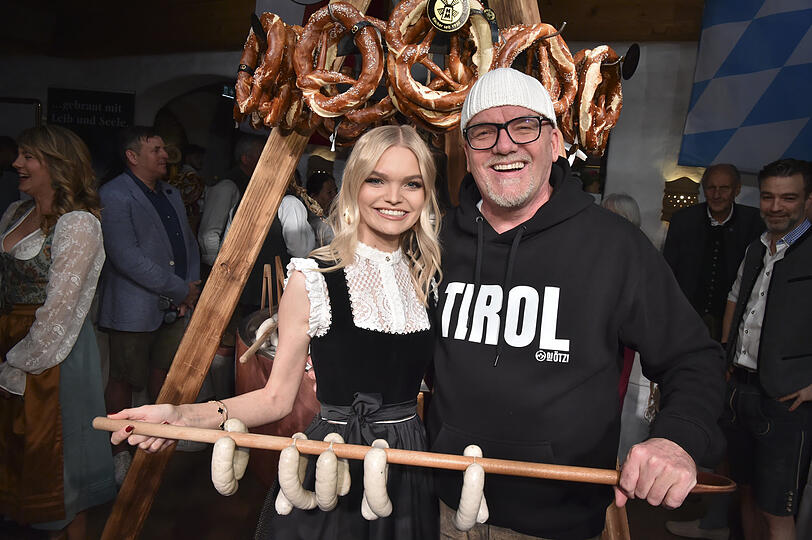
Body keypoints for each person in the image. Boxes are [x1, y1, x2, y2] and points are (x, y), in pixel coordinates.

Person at [429, 68, 725, 540]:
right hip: (444, 510)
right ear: (468, 153)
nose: (504, 145)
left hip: (558, 521)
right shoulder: (437, 241)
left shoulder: (614, 246)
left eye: (524, 126)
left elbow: (694, 357)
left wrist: (676, 438)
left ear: (556, 143)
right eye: (484, 132)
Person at [108, 125, 443, 539]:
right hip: (332, 463)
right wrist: (181, 415)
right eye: (377, 179)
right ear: (355, 185)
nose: (394, 197)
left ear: (426, 194)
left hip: (408, 463)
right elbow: (274, 399)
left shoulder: (428, 278)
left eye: (411, 183)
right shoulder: (314, 277)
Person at [0, 125, 116, 538]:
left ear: (57, 164)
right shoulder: (15, 212)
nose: (17, 163)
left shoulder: (77, 223)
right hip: (12, 335)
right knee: (22, 461)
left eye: (29, 156)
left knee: (60, 464)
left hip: (55, 350)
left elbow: (60, 310)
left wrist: (19, 362)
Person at [97, 126, 201, 482]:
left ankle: (161, 438)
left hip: (174, 303)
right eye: (156, 149)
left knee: (165, 373)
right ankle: (120, 450)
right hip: (133, 305)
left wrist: (190, 286)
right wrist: (180, 289)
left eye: (164, 148)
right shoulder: (114, 194)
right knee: (125, 378)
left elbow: (187, 241)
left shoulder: (170, 192)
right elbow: (125, 256)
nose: (165, 155)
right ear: (132, 156)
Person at [720, 158, 812, 540]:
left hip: (786, 400)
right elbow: (736, 299)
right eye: (769, 197)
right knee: (745, 494)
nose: (776, 207)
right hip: (740, 391)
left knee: (777, 511)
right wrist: (727, 352)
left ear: (808, 201)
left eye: (788, 198)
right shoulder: (755, 248)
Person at [663, 163, 764, 341]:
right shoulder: (683, 220)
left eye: (724, 188)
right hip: (686, 318)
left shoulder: (754, 222)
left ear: (737, 190)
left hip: (732, 323)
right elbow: (668, 271)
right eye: (711, 188)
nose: (717, 195)